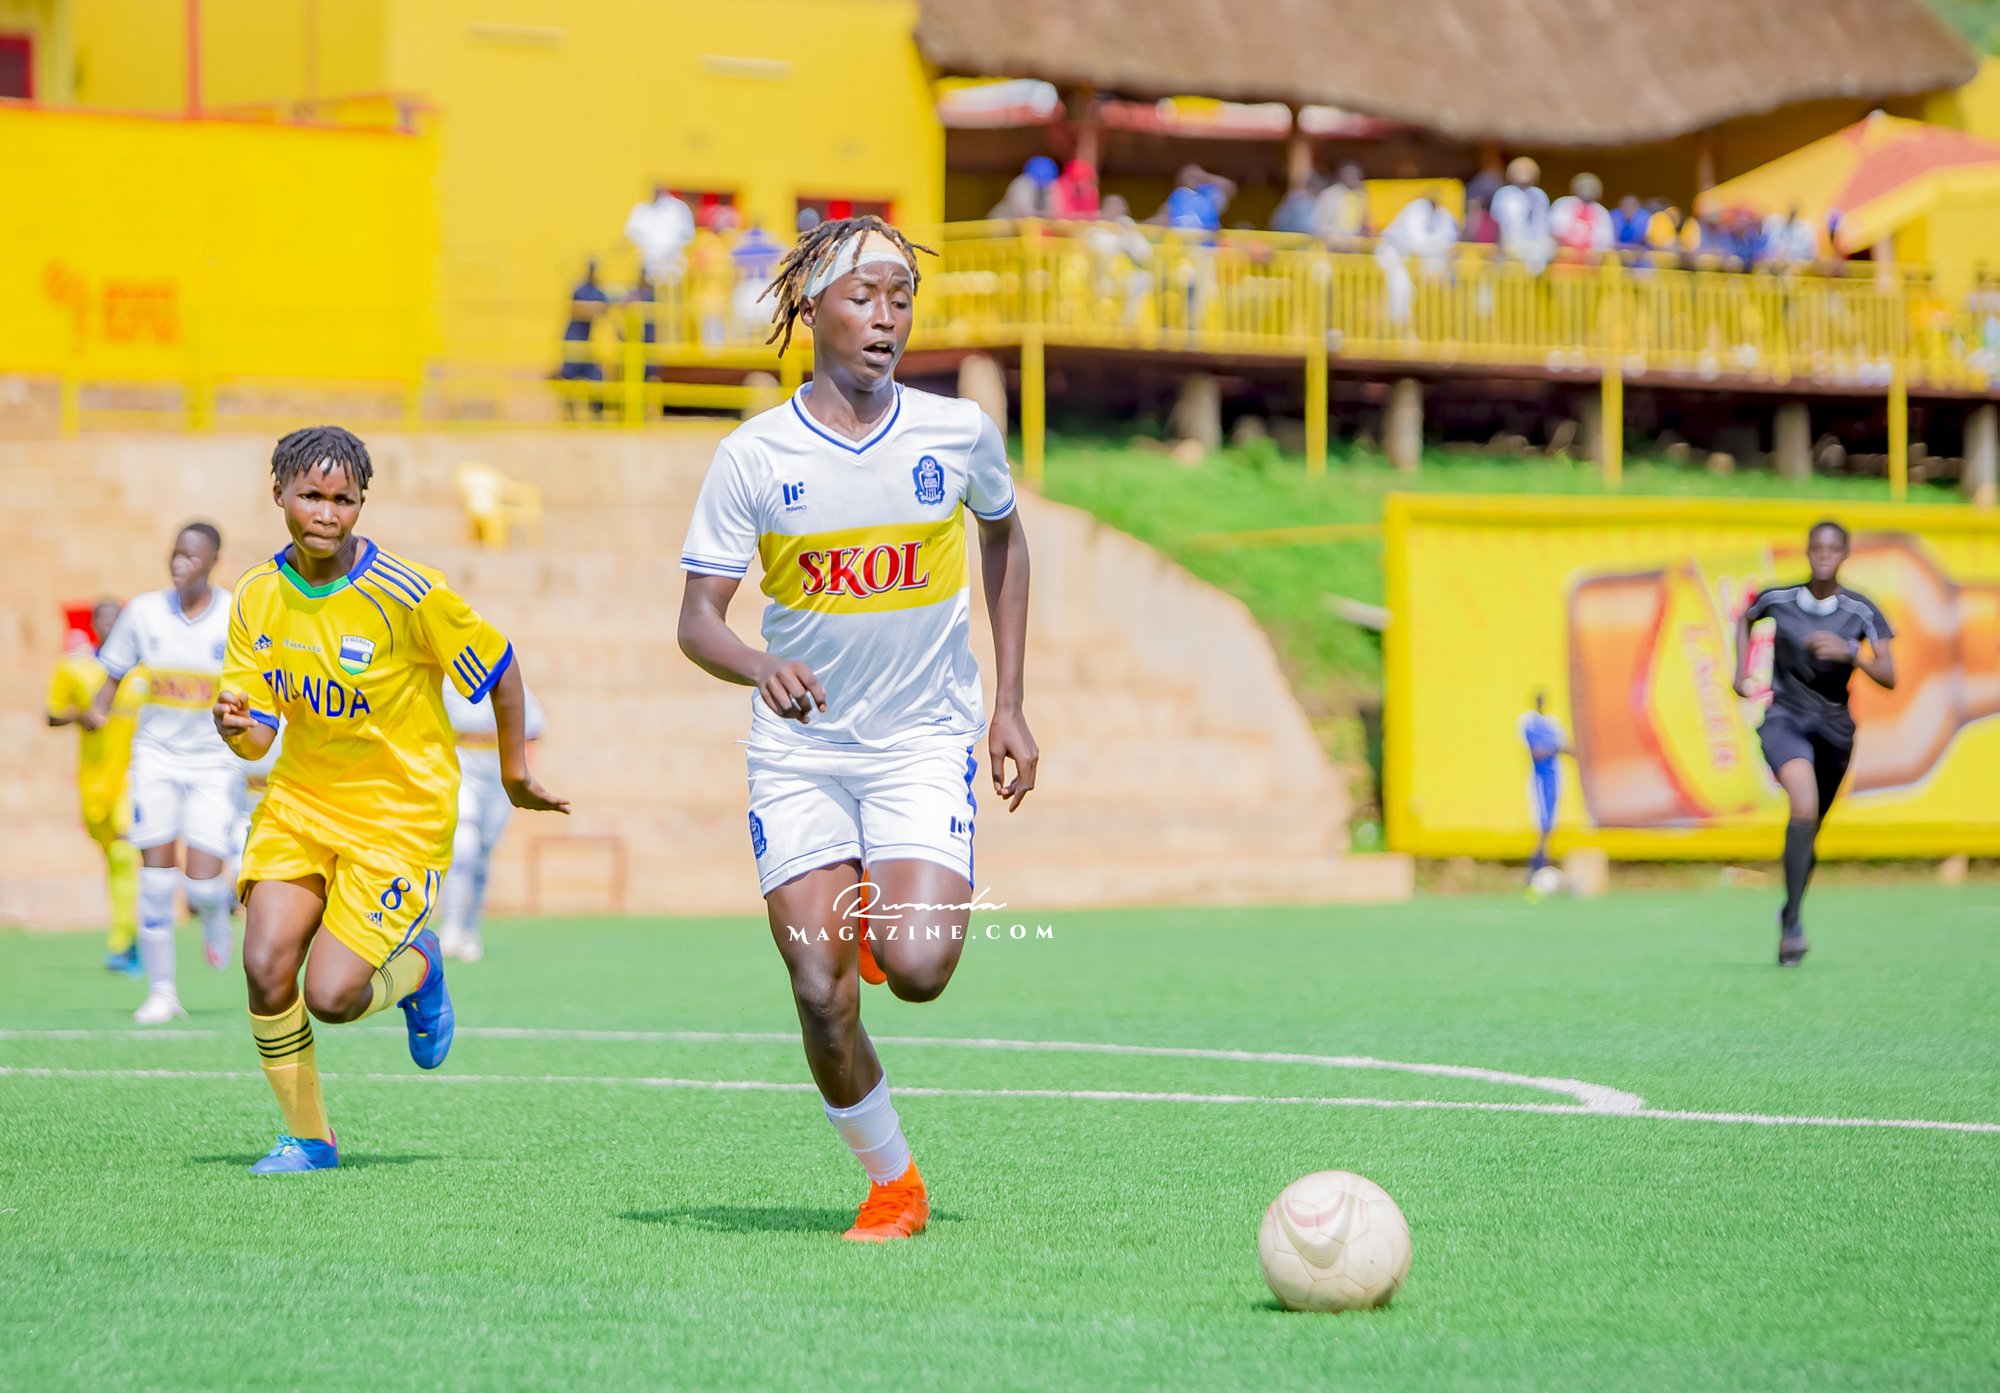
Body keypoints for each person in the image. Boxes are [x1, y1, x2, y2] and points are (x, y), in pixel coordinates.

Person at [677, 216, 1038, 1242]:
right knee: (818, 990)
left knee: (915, 969)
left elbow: (1005, 539)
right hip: (801, 753)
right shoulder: (753, 455)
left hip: (921, 739)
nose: (886, 317)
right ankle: (893, 1185)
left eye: (900, 298)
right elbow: (697, 620)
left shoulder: (956, 432)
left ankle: (883, 921)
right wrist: (760, 664)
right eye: (863, 297)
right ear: (810, 308)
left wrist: (1009, 701)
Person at [212, 425, 569, 1173]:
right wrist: (238, 729)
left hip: (398, 820)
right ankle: (310, 1139)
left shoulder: (408, 593)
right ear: (279, 493)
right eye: (311, 495)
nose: (326, 513)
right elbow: (259, 731)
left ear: (361, 504)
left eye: (343, 499)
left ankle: (422, 967)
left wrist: (514, 772)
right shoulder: (254, 595)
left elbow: (501, 667)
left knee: (332, 996)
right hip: (300, 802)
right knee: (265, 964)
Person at [88, 523, 240, 1023]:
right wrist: (97, 709)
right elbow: (113, 672)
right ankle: (162, 993)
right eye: (175, 554)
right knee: (155, 880)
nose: (179, 564)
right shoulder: (144, 612)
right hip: (155, 757)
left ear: (213, 561)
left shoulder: (234, 615)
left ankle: (215, 914)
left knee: (200, 887)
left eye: (191, 557)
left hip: (213, 762)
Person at [1731, 521, 1895, 966]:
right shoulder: (1778, 598)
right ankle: (1792, 930)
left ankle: (1790, 910)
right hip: (1785, 720)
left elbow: (1890, 675)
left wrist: (1851, 654)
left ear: (1845, 554)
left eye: (1833, 549)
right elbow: (1745, 618)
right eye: (1817, 547)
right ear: (1806, 551)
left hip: (1835, 731)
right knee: (1802, 805)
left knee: (1811, 829)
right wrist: (1740, 672)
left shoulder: (1860, 610)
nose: (1824, 555)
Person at [46, 599, 142, 973]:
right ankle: (128, 936)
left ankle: (123, 941)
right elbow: (51, 714)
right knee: (112, 857)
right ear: (94, 624)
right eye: (103, 619)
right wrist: (79, 715)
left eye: (116, 619)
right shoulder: (74, 667)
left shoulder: (144, 669)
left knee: (123, 854)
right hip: (94, 780)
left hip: (134, 776)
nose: (109, 625)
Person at [438, 676, 547, 962]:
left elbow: (533, 730)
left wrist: (522, 779)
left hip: (498, 783)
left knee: (482, 855)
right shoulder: (447, 686)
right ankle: (450, 926)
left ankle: (470, 929)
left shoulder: (510, 684)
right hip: (461, 777)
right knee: (463, 847)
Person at [1518, 692, 1570, 879]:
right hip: (1540, 778)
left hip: (1554, 778)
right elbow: (1538, 752)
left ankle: (1543, 862)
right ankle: (1537, 863)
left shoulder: (1552, 724)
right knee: (1542, 821)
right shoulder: (1530, 723)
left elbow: (1567, 747)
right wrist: (1555, 747)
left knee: (1551, 822)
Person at [559, 260, 610, 415]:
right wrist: (594, 308)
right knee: (569, 376)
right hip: (574, 340)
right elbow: (577, 309)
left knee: (596, 377)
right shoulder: (580, 289)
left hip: (587, 342)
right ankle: (569, 412)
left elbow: (606, 307)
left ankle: (596, 412)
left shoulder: (597, 291)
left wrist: (594, 307)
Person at [1491, 157, 1554, 272]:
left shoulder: (1539, 195)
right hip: (1512, 242)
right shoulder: (1505, 194)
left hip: (1536, 243)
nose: (1525, 174)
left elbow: (1543, 223)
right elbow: (1497, 222)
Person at [625, 183, 695, 286]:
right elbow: (632, 232)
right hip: (650, 262)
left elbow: (687, 233)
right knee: (653, 288)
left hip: (672, 260)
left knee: (672, 288)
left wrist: (673, 250)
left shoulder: (677, 208)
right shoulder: (642, 209)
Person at [1313, 163, 1369, 249]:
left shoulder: (1361, 195)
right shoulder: (1330, 194)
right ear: (1341, 175)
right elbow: (1319, 222)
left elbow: (1363, 221)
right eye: (1349, 174)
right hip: (1331, 242)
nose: (1352, 177)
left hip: (1353, 244)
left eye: (1355, 174)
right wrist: (1336, 236)